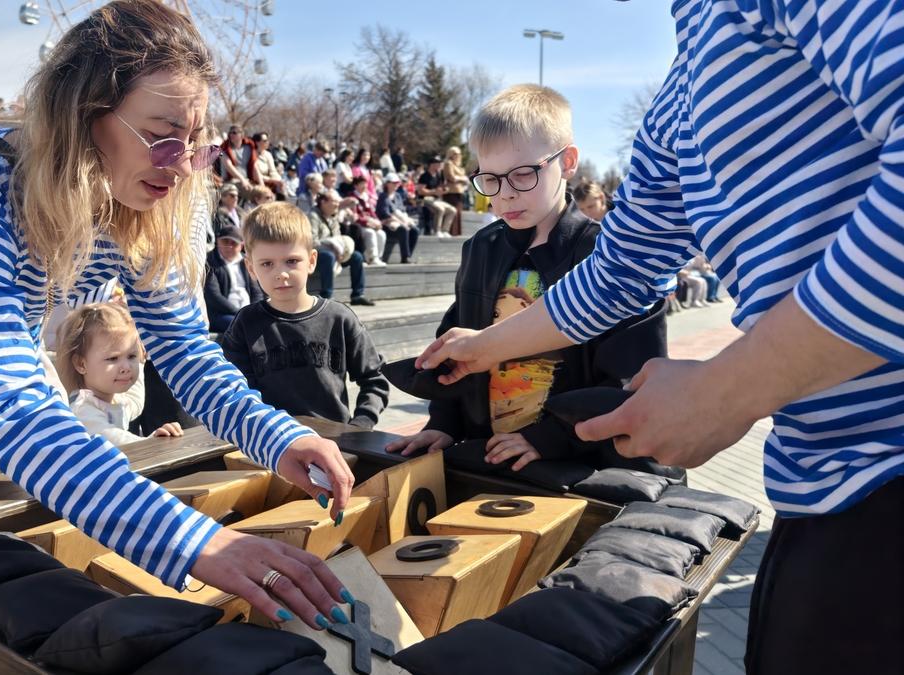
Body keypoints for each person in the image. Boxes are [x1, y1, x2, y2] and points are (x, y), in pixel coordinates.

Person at [0, 3, 356, 670]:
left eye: (195, 139)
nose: (181, 165)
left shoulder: (152, 194)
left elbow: (183, 349)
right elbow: (9, 412)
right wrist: (198, 544)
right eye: (160, 134)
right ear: (81, 113)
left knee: (10, 564)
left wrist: (278, 435)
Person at [416, 4, 904, 673]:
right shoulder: (682, 88)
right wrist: (485, 346)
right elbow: (620, 271)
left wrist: (728, 391)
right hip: (829, 480)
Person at [387, 84, 675, 479]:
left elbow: (628, 375)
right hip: (489, 459)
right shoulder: (480, 248)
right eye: (490, 179)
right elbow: (456, 346)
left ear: (568, 161)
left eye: (523, 175)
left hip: (581, 466)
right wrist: (443, 423)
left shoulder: (610, 257)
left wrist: (552, 437)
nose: (504, 196)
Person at [221, 202, 388, 428]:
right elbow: (234, 391)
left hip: (336, 446)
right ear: (251, 269)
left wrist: (360, 426)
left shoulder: (339, 319)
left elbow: (375, 379)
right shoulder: (245, 324)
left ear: (311, 261)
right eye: (267, 264)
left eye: (291, 261)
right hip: (272, 447)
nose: (281, 274)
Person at [56, 302, 183, 446]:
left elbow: (135, 401)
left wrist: (140, 360)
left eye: (131, 356)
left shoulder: (115, 399)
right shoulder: (82, 410)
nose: (126, 367)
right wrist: (153, 442)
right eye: (112, 358)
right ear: (81, 364)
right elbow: (116, 440)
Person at [309, 188, 373, 307]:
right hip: (317, 254)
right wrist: (332, 246)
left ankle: (357, 295)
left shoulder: (333, 217)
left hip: (335, 253)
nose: (337, 204)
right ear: (323, 202)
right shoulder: (313, 216)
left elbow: (337, 237)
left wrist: (341, 248)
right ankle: (326, 296)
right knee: (328, 256)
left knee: (357, 257)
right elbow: (312, 242)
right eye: (334, 201)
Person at [203, 225, 264, 331]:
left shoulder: (247, 261)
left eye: (234, 243)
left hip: (246, 312)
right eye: (225, 241)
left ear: (241, 246)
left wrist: (253, 312)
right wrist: (241, 314)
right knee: (244, 326)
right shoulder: (210, 262)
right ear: (217, 242)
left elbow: (257, 292)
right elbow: (214, 297)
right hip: (221, 314)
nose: (229, 246)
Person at [375, 172, 420, 264]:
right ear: (387, 183)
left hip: (399, 221)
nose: (396, 185)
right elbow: (385, 213)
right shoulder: (383, 196)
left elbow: (402, 210)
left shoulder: (398, 196)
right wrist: (400, 221)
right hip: (387, 223)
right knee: (403, 229)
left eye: (397, 183)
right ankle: (405, 257)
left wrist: (404, 220)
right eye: (393, 183)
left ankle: (408, 255)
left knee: (415, 230)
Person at [348, 174, 386, 266]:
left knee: (381, 233)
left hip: (369, 222)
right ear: (355, 185)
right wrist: (367, 223)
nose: (364, 186)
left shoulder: (366, 196)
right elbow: (355, 215)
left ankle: (377, 257)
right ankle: (372, 258)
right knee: (370, 233)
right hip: (358, 224)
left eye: (365, 184)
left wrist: (377, 222)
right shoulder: (352, 197)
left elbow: (371, 212)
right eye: (361, 184)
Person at [416, 155, 456, 236]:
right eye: (438, 163)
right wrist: (434, 192)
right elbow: (420, 191)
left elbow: (441, 187)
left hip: (436, 200)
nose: (440, 165)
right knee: (440, 209)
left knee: (452, 210)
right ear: (432, 164)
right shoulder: (424, 176)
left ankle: (445, 231)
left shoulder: (438, 175)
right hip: (424, 200)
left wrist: (444, 190)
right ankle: (437, 230)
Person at [219, 123, 258, 189]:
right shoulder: (222, 150)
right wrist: (243, 180)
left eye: (234, 132)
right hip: (230, 182)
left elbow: (255, 167)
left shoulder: (249, 148)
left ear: (242, 135)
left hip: (247, 180)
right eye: (230, 133)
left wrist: (262, 185)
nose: (231, 135)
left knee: (263, 192)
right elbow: (229, 167)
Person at [441, 146, 469, 235]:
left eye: (458, 154)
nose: (457, 155)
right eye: (455, 154)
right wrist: (463, 178)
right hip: (450, 192)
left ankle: (455, 232)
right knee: (452, 211)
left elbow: (463, 179)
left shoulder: (458, 165)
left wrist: (461, 179)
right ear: (450, 154)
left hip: (459, 191)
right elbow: (452, 178)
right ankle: (448, 231)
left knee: (458, 212)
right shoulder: (448, 163)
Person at [251, 132, 283, 196]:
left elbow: (273, 171)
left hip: (270, 182)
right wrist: (271, 180)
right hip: (256, 182)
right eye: (265, 141)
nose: (268, 142)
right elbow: (255, 175)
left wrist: (278, 180)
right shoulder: (252, 154)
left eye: (268, 140)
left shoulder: (268, 154)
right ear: (257, 142)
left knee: (282, 187)